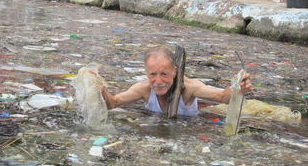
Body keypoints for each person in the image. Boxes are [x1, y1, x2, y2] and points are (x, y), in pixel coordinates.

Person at [100, 48, 253, 116]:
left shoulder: (190, 88)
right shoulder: (144, 89)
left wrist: (239, 88)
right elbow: (114, 103)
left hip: (199, 114)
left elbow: (223, 98)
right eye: (153, 74)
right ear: (146, 73)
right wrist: (100, 90)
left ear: (174, 71)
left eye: (164, 74)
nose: (158, 81)